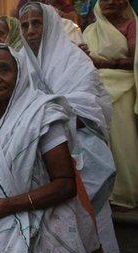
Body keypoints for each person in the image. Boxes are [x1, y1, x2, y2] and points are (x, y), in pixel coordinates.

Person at [0, 44, 102, 253]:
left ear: (20, 75)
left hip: (40, 234)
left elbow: (65, 184)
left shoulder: (41, 115)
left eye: (4, 69)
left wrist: (5, 206)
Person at [20, 4, 119, 253]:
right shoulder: (18, 64)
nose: (30, 30)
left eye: (36, 23)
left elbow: (92, 107)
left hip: (80, 156)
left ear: (50, 24)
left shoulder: (75, 60)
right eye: (25, 25)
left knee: (94, 230)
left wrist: (46, 111)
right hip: (39, 164)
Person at [84, 0, 138, 211]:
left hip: (123, 86)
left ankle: (124, 191)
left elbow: (135, 60)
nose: (109, 2)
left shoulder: (131, 25)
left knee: (122, 138)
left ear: (124, 2)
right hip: (95, 88)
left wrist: (105, 63)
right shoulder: (90, 30)